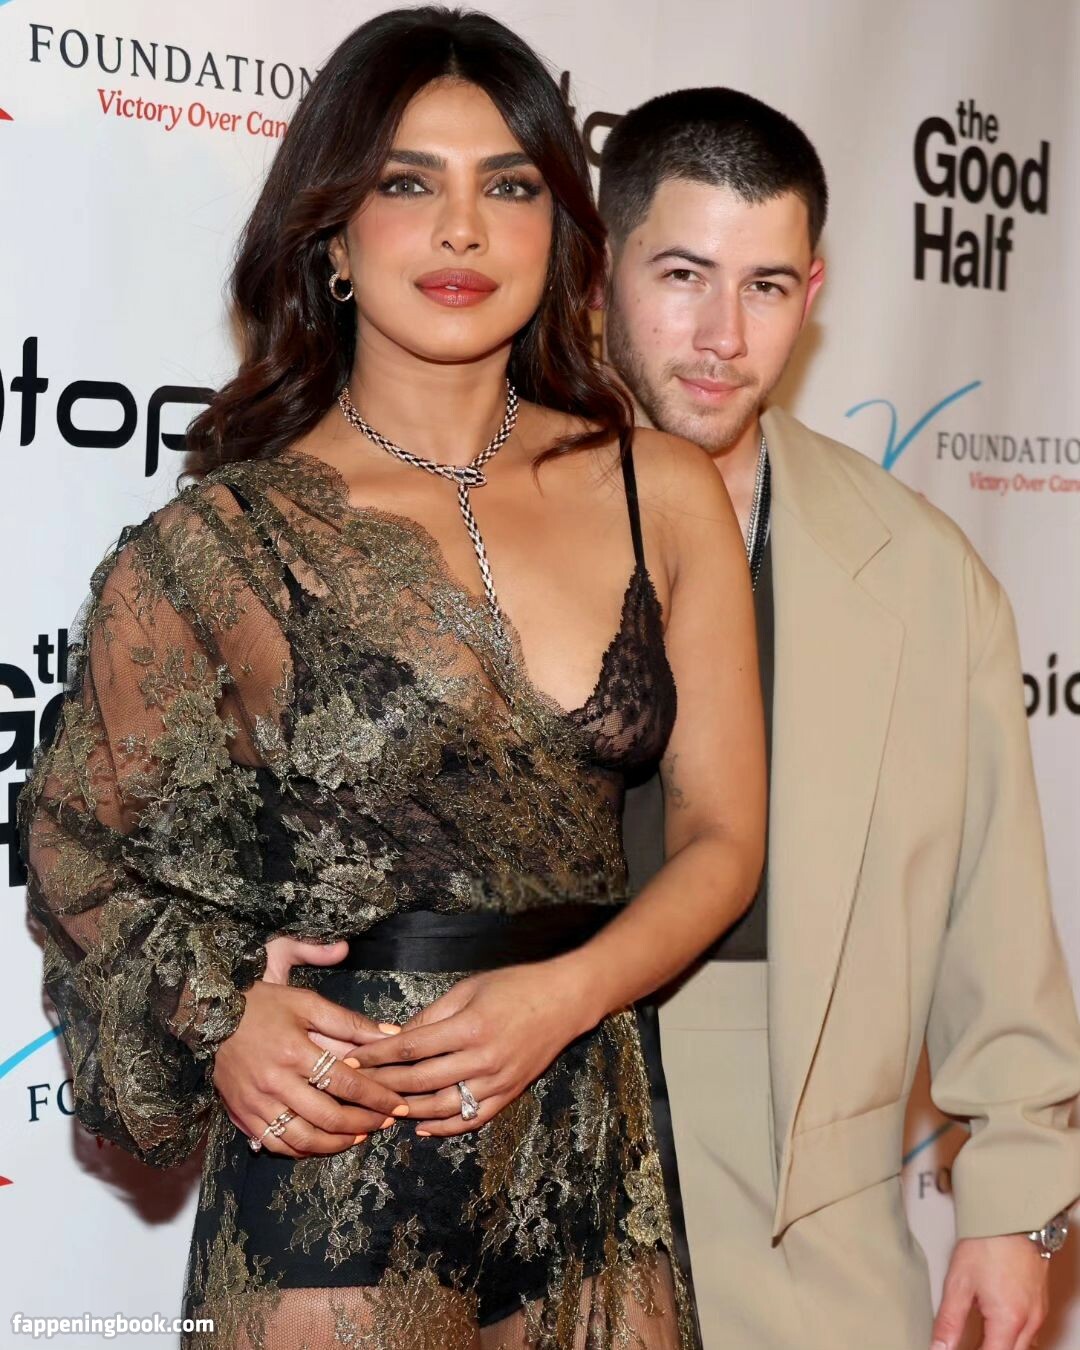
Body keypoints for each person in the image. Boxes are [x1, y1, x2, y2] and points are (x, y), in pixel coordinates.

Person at [19, 15, 766, 1350]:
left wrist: (569, 993)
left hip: (592, 1131)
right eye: (409, 183)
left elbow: (722, 837)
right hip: (333, 1156)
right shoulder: (225, 540)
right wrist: (222, 1016)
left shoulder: (662, 490)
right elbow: (80, 841)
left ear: (560, 229)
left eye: (510, 186)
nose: (463, 229)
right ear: (333, 237)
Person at [599, 87, 1080, 1350]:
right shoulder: (462, 520)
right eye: (683, 276)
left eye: (764, 287)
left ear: (811, 295)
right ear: (599, 269)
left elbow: (995, 912)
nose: (721, 337)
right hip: (520, 1169)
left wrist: (1015, 1202)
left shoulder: (921, 573)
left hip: (812, 1214)